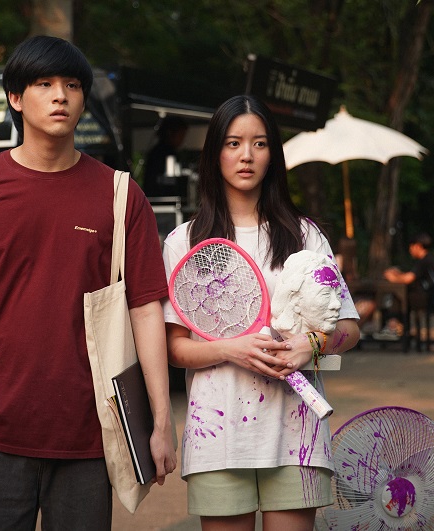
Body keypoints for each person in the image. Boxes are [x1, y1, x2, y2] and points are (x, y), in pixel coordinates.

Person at [0, 35, 176, 530]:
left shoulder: (120, 194)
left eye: (72, 85)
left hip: (91, 430)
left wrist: (161, 418)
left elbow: (146, 308)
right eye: (43, 84)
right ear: (16, 98)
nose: (60, 95)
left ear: (84, 100)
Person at [161, 95, 361, 531]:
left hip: (298, 438)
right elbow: (174, 349)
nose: (247, 155)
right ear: (215, 153)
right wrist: (230, 349)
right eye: (233, 143)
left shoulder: (306, 236)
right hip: (218, 440)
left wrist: (312, 345)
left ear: (273, 154)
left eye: (260, 143)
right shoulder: (184, 242)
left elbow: (349, 328)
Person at [375, 232, 434, 340]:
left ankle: (393, 327)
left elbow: (408, 279)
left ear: (418, 246)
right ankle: (401, 329)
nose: (410, 250)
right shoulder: (432, 259)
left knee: (400, 298)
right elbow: (412, 276)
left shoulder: (424, 261)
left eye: (411, 246)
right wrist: (398, 274)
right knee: (406, 297)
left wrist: (392, 277)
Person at [143, 115, 188, 197]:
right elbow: (170, 180)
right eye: (181, 135)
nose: (182, 139)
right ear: (170, 133)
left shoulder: (157, 151)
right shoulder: (167, 154)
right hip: (163, 199)